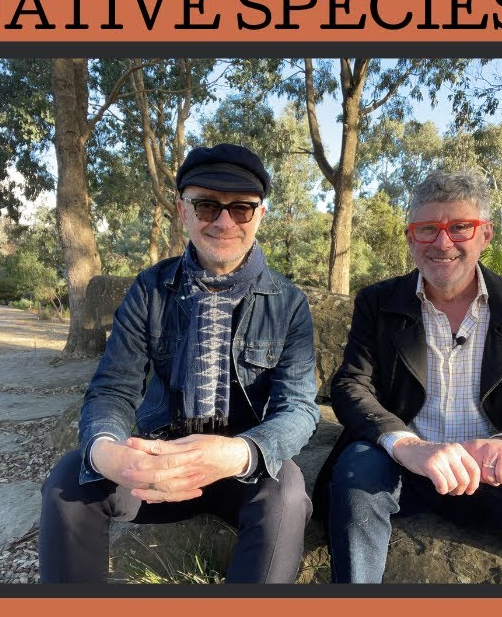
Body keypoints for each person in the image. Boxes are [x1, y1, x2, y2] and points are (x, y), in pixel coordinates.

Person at [39, 143, 319, 583]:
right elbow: (113, 388)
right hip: (159, 460)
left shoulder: (289, 303)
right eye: (207, 206)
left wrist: (239, 452)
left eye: (241, 208)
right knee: (68, 479)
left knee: (287, 496)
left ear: (260, 215)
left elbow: (299, 408)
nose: (224, 222)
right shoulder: (149, 290)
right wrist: (106, 450)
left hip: (241, 465)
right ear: (182, 210)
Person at [315, 169, 502, 584]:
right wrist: (408, 445)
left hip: (497, 474)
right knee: (356, 472)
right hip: (401, 466)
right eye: (427, 229)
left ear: (485, 234)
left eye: (459, 227)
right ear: (410, 237)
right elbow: (352, 385)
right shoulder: (377, 303)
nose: (442, 243)